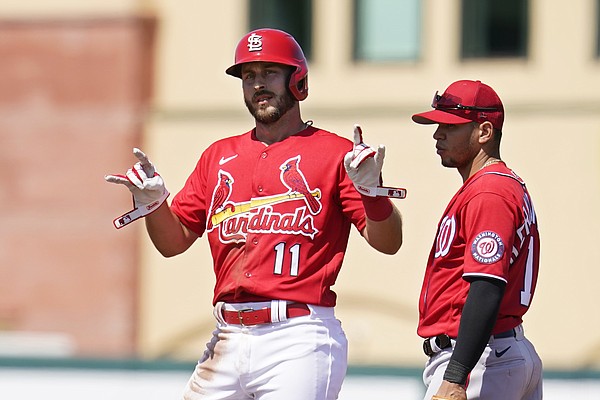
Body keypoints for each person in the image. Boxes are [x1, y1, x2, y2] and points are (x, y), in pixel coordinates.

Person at [105, 28, 403, 400]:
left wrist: (372, 194)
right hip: (226, 336)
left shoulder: (335, 153)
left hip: (298, 336)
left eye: (269, 73)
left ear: (298, 81)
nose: (258, 85)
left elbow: (389, 243)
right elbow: (173, 242)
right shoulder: (218, 155)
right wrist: (153, 204)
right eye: (248, 76)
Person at [411, 79, 542, 400]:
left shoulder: (489, 192)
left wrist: (456, 377)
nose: (437, 134)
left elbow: (486, 285)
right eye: (438, 124)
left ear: (484, 132)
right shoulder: (499, 185)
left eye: (450, 126)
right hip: (499, 352)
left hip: (481, 361)